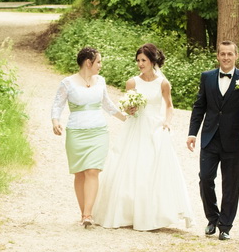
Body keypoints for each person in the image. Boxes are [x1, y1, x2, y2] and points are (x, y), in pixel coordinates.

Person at [93, 44, 194, 231]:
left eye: (143, 60)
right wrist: (128, 108)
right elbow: (126, 105)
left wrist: (167, 122)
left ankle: (151, 214)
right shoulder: (132, 82)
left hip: (154, 128)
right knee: (129, 167)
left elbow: (169, 106)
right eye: (138, 60)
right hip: (135, 126)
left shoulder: (163, 83)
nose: (140, 64)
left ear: (153, 61)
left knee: (151, 168)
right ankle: (126, 212)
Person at [186, 41, 239, 241]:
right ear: (217, 56)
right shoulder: (207, 77)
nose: (226, 57)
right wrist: (193, 133)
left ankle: (225, 225)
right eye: (223, 54)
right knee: (206, 178)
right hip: (210, 138)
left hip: (234, 140)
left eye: (230, 54)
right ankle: (212, 217)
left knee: (231, 184)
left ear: (236, 56)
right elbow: (199, 106)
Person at [52, 46, 126, 227]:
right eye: (98, 62)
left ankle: (88, 214)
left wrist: (127, 118)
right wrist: (55, 121)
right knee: (79, 173)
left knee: (92, 171)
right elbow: (57, 105)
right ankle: (83, 211)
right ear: (88, 62)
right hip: (76, 132)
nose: (100, 65)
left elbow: (107, 105)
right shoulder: (67, 83)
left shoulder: (100, 81)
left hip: (98, 131)